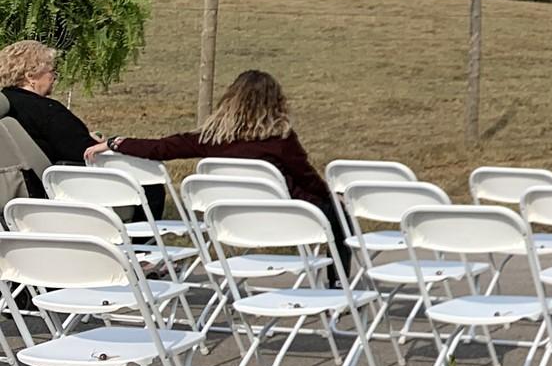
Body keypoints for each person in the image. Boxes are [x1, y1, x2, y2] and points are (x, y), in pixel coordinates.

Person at [91, 69, 343, 239]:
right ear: (276, 103)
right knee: (338, 213)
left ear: (230, 100)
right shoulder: (280, 140)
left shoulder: (212, 140)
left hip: (229, 220)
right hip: (283, 218)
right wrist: (330, 197)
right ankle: (335, 282)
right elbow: (307, 179)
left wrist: (115, 143)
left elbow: (161, 148)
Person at [0, 39, 94, 196]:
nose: (54, 77)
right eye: (51, 71)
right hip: (65, 190)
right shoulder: (47, 110)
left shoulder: (6, 108)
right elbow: (86, 153)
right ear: (31, 76)